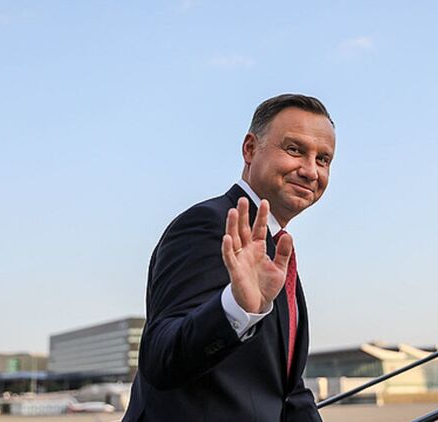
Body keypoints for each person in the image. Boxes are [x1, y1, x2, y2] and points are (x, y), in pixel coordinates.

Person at [123, 94, 336, 421]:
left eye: (323, 159)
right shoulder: (210, 225)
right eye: (295, 150)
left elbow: (287, 392)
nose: (310, 171)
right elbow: (160, 359)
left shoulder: (274, 251)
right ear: (250, 149)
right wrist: (236, 308)